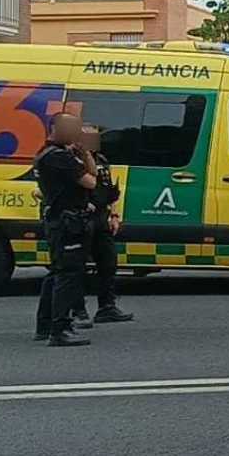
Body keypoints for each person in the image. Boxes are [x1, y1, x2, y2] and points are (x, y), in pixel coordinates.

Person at [33, 112, 97, 346]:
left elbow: (92, 172)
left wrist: (84, 151)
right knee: (67, 275)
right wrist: (81, 156)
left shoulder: (52, 153)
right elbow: (91, 181)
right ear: (55, 128)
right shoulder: (57, 156)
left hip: (62, 219)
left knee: (57, 273)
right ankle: (59, 329)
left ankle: (45, 325)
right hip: (66, 221)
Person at [79, 124, 134, 326]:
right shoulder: (75, 161)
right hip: (83, 218)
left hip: (102, 218)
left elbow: (109, 191)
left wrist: (114, 215)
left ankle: (107, 307)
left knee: (108, 262)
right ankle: (77, 309)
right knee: (78, 266)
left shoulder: (101, 160)